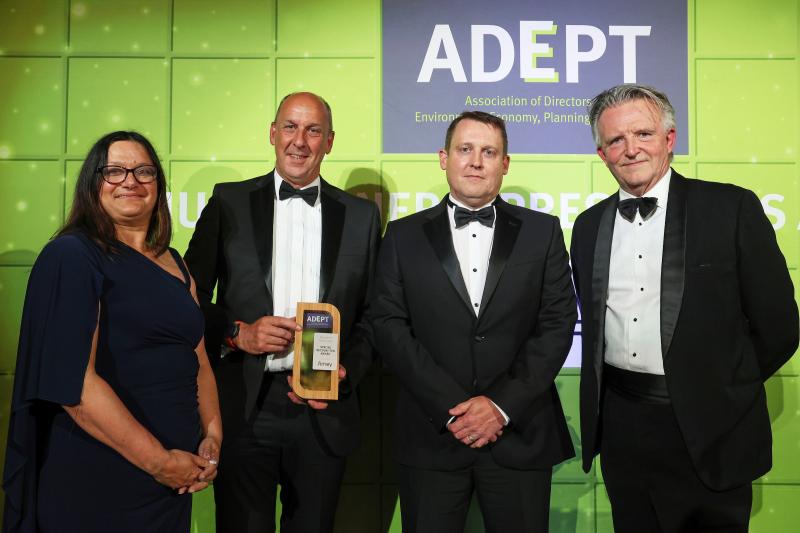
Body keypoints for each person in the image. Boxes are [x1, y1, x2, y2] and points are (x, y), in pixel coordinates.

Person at [570, 84, 799, 532]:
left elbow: (779, 326)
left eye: (643, 134)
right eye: (616, 140)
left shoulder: (730, 207)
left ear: (669, 140)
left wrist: (721, 387)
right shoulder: (588, 226)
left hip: (709, 428)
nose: (630, 149)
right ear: (602, 154)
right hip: (621, 427)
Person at [1, 131, 222, 533]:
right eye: (114, 171)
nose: (130, 181)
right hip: (100, 481)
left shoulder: (176, 263)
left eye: (143, 171)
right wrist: (160, 463)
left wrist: (212, 436)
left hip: (171, 490)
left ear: (158, 184)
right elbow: (76, 386)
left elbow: (200, 360)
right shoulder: (72, 256)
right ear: (92, 184)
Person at [370, 111, 577, 532]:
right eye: (465, 149)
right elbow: (389, 326)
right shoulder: (402, 236)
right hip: (432, 437)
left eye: (489, 152)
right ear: (444, 158)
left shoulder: (544, 232)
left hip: (518, 433)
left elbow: (557, 324)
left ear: (506, 163)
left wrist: (500, 406)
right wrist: (454, 409)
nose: (476, 161)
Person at [184, 92, 380, 533]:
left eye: (313, 131)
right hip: (245, 404)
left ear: (329, 142)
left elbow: (374, 315)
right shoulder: (228, 202)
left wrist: (346, 369)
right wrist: (237, 332)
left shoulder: (363, 217)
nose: (300, 141)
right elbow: (187, 298)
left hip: (323, 407)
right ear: (273, 134)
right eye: (290, 127)